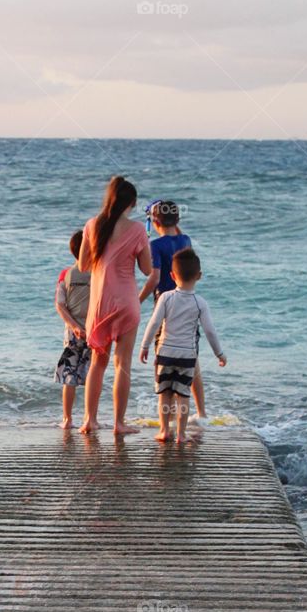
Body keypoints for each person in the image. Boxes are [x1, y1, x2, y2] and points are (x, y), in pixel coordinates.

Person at [79, 176, 153, 435]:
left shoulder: (92, 226)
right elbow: (146, 269)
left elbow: (83, 266)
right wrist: (145, 243)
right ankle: (119, 423)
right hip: (126, 302)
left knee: (98, 363)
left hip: (100, 304)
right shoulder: (137, 230)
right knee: (123, 365)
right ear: (131, 203)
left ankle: (89, 420)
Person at [139, 247, 226, 443]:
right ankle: (180, 434)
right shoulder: (200, 303)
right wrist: (219, 354)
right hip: (187, 357)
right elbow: (210, 331)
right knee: (183, 395)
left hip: (165, 352)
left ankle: (164, 431)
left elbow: (154, 323)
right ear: (199, 276)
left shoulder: (166, 297)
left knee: (165, 393)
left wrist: (144, 346)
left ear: (172, 275)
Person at [138, 199, 208, 423]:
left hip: (166, 304)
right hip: (187, 303)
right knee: (191, 356)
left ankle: (165, 416)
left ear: (154, 221)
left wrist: (137, 300)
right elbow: (176, 233)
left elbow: (155, 278)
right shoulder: (185, 240)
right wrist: (162, 215)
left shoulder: (156, 245)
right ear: (177, 220)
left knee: (164, 357)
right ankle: (201, 412)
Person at [54, 230, 92, 429]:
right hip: (94, 330)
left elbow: (60, 305)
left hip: (72, 332)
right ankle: (89, 418)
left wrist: (74, 326)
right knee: (91, 374)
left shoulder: (66, 275)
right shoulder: (99, 273)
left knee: (69, 375)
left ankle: (67, 419)